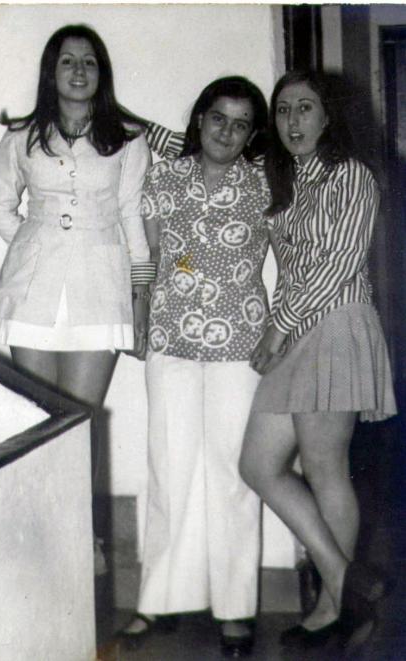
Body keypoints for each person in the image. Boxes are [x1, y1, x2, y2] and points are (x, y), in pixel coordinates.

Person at [0, 24, 155, 572]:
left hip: (100, 289)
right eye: (67, 61)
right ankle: (35, 539)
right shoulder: (21, 136)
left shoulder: (128, 138)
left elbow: (132, 217)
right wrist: (37, 244)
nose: (79, 71)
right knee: (36, 420)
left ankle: (83, 537)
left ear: (101, 73)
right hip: (32, 292)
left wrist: (140, 293)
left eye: (89, 62)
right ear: (51, 73)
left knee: (80, 421)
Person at [239, 70, 397, 654]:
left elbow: (338, 264)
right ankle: (345, 580)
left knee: (325, 466)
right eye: (282, 111)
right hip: (296, 331)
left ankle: (333, 608)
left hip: (336, 325)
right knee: (258, 465)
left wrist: (277, 326)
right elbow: (198, 139)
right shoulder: (285, 179)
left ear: (329, 116)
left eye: (305, 108)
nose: (292, 121)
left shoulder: (351, 175)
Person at [121, 76, 271, 658]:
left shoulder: (266, 183)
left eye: (240, 124)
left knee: (233, 475)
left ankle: (236, 610)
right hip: (171, 340)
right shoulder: (165, 177)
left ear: (252, 134)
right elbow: (149, 256)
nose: (226, 132)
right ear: (201, 119)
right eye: (218, 119)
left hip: (241, 344)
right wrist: (137, 316)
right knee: (168, 467)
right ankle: (157, 600)